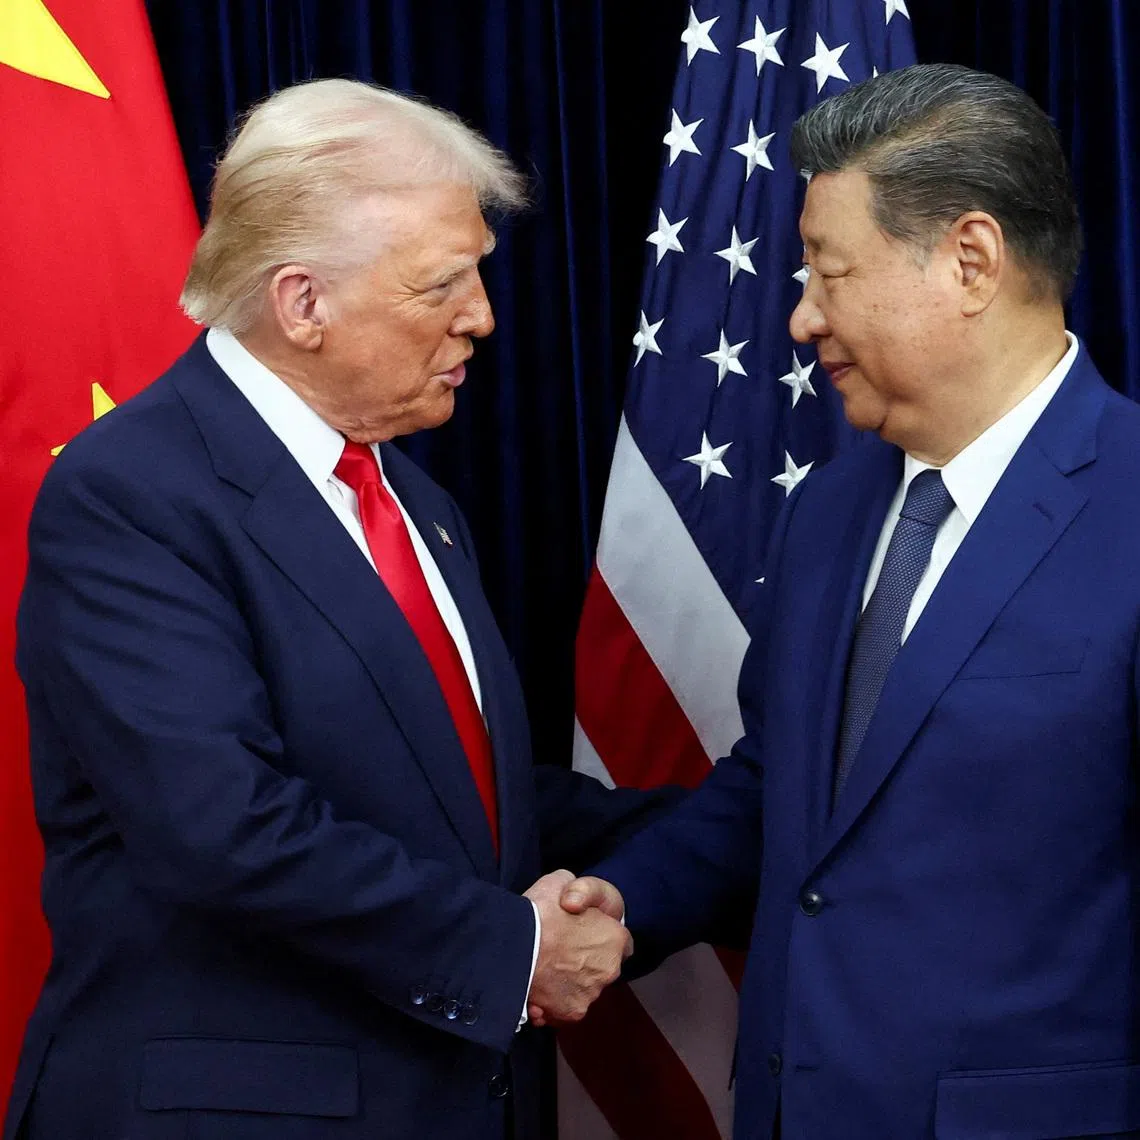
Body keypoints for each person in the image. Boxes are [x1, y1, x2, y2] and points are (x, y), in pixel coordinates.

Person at [3, 78, 674, 1140]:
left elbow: (455, 800)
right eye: (442, 284)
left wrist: (755, 829)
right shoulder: (131, 492)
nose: (483, 317)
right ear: (302, 302)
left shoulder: (415, 498)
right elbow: (223, 827)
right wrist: (516, 952)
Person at [561, 63, 1140, 1139]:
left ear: (970, 260)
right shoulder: (832, 507)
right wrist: (624, 907)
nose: (799, 318)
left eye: (829, 272)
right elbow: (784, 791)